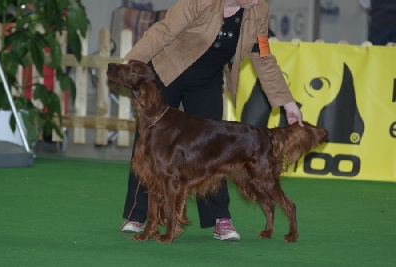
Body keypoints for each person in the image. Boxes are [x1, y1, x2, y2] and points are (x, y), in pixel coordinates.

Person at [120, 0, 303, 241]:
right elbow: (161, 32)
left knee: (214, 150)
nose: (257, 1)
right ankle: (138, 215)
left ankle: (219, 218)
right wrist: (131, 61)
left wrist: (287, 103)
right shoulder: (199, 2)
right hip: (167, 75)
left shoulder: (258, 10)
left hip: (206, 82)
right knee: (151, 149)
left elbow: (263, 56)